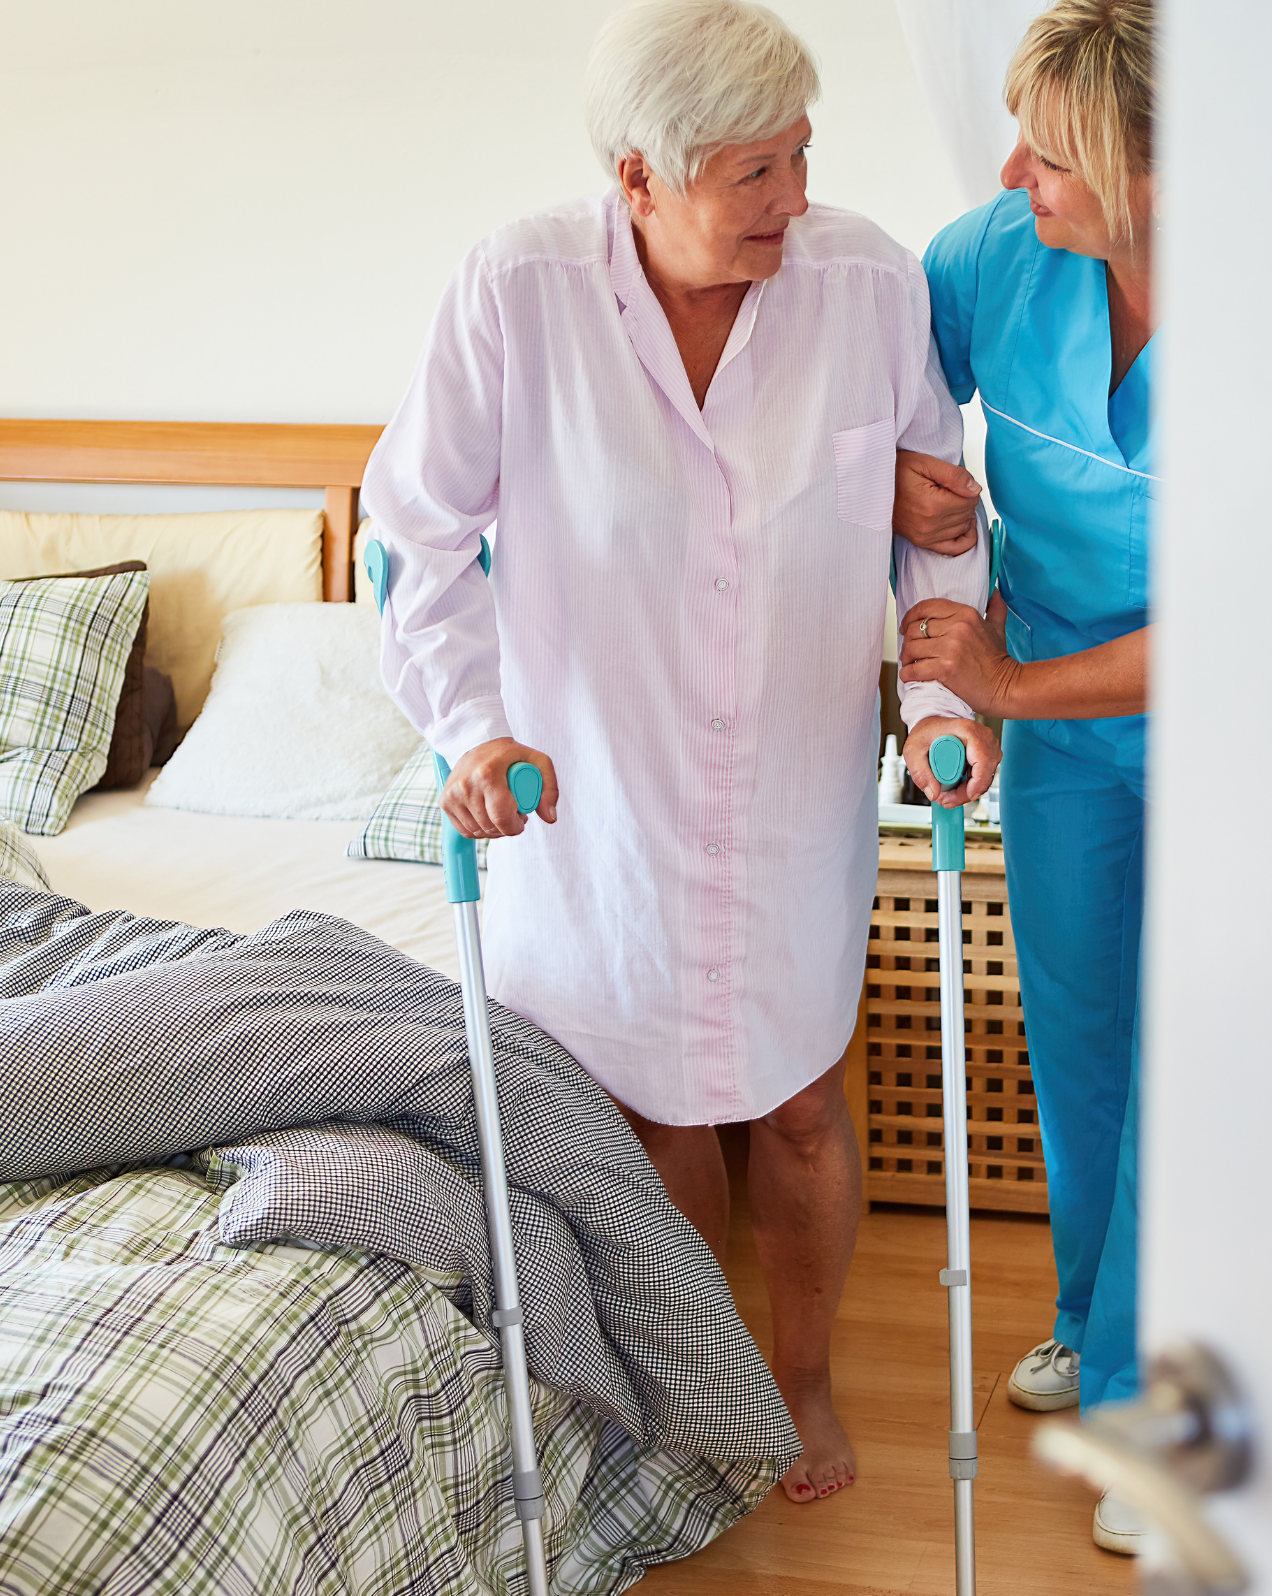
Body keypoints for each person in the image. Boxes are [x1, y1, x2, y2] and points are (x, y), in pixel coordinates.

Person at [363, 0, 998, 1504]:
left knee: (793, 1097)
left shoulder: (864, 280)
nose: (792, 198)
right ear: (638, 179)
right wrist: (472, 725)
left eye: (800, 157)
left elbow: (936, 519)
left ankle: (805, 1384)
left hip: (794, 773)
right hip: (599, 780)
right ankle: (689, 1389)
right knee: (648, 1105)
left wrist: (951, 709)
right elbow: (414, 535)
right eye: (750, 174)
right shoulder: (517, 290)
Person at [891, 0, 1155, 1556]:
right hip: (1058, 713)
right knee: (1083, 1037)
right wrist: (901, 472)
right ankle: (1089, 1316)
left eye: (1051, 155)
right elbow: (871, 398)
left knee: (1202, 1068)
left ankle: (1157, 1406)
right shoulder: (991, 254)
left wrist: (1004, 681)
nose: (1012, 172)